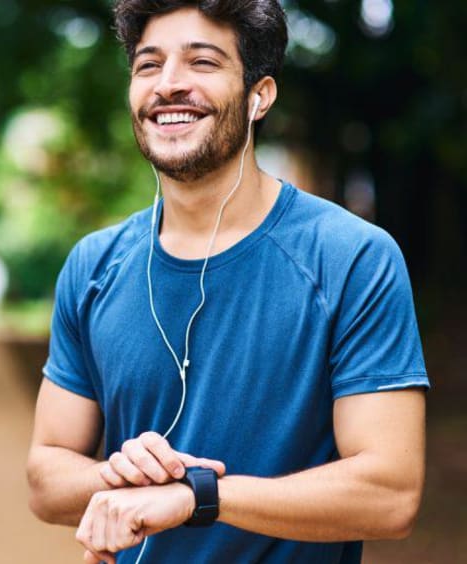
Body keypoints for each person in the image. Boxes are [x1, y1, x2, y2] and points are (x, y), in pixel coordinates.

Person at [26, 1, 429, 563]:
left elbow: (390, 494)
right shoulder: (94, 265)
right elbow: (46, 478)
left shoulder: (353, 258)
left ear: (259, 95)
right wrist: (119, 478)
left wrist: (198, 497)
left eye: (202, 63)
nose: (169, 85)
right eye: (148, 65)